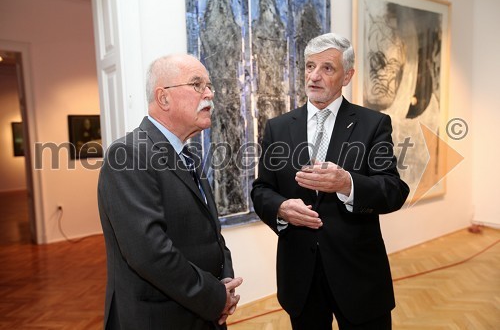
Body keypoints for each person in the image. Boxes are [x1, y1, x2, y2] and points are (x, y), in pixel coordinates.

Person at [251, 33, 409, 329]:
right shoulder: (278, 127)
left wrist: (347, 184)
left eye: (327, 68)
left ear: (347, 75)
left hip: (358, 276)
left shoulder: (373, 124)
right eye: (310, 66)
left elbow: (394, 190)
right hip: (301, 277)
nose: (314, 76)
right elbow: (262, 190)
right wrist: (281, 208)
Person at [98, 54, 243, 330]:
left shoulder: (188, 155)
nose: (210, 94)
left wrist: (224, 282)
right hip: (158, 319)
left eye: (209, 85)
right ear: (163, 98)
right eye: (197, 84)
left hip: (203, 312)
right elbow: (150, 253)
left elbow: (211, 231)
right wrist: (214, 297)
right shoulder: (128, 154)